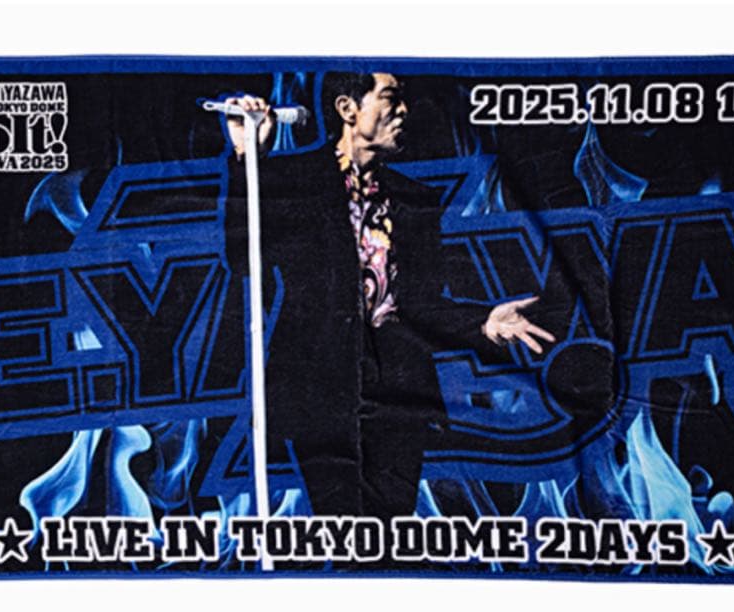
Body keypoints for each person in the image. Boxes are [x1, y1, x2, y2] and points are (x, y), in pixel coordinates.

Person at [218, 73, 554, 520]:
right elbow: (244, 257)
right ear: (347, 109)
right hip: (321, 390)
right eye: (390, 99)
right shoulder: (296, 180)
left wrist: (482, 322)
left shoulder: (414, 200)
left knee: (388, 533)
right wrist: (248, 158)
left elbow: (420, 306)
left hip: (399, 391)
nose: (403, 112)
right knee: (341, 527)